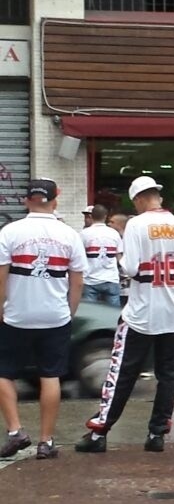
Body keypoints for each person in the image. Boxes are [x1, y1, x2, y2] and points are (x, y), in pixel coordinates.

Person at [75, 176, 174, 454]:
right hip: (172, 310)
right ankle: (157, 433)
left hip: (141, 311)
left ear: (139, 199)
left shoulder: (136, 225)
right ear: (158, 197)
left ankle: (100, 432)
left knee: (122, 371)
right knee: (167, 374)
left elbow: (129, 268)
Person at [0, 178, 87, 460]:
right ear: (55, 202)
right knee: (50, 376)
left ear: (26, 200)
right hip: (54, 316)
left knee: (3, 373)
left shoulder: (9, 232)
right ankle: (46, 442)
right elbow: (77, 282)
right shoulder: (69, 234)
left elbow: (1, 276)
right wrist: (69, 312)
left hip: (16, 316)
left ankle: (15, 431)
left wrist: (1, 307)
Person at [80, 204, 123, 307]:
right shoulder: (114, 233)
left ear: (91, 216)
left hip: (90, 280)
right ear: (105, 216)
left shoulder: (83, 234)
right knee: (114, 315)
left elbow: (79, 258)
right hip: (111, 279)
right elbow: (119, 257)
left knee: (90, 316)